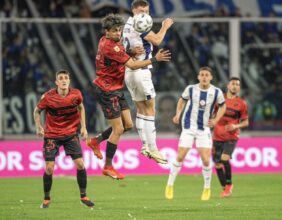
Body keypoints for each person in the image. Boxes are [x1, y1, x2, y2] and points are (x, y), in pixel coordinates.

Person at [86, 13, 171, 180]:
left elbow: (120, 56)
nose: (118, 33)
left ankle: (95, 141)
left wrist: (129, 51)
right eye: (114, 31)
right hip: (107, 90)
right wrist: (155, 59)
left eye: (119, 30)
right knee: (118, 129)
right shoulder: (110, 46)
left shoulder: (107, 42)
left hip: (116, 88)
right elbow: (132, 65)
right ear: (106, 32)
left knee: (128, 125)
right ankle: (108, 167)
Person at [33, 70, 94, 209]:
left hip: (70, 134)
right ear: (56, 82)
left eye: (66, 78)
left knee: (80, 164)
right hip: (52, 135)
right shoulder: (48, 97)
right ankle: (47, 198)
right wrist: (38, 127)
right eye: (61, 78)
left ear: (69, 81)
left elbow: (81, 107)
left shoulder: (76, 94)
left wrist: (83, 127)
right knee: (49, 168)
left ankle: (83, 196)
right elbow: (37, 111)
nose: (64, 80)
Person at [122, 0, 174, 163]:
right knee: (150, 110)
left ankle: (145, 145)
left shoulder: (128, 24)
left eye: (146, 11)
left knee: (141, 110)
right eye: (141, 11)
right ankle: (153, 148)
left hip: (129, 72)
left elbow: (124, 49)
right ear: (134, 11)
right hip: (141, 71)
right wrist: (165, 26)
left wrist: (129, 51)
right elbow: (157, 40)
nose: (144, 14)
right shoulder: (140, 24)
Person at [165, 66, 226, 201]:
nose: (204, 77)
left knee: (205, 159)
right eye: (202, 75)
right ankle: (169, 185)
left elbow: (223, 106)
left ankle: (207, 187)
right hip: (188, 127)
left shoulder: (216, 92)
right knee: (180, 156)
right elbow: (182, 100)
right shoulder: (191, 89)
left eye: (207, 75)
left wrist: (216, 120)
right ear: (198, 77)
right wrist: (178, 114)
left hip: (204, 129)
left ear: (211, 77)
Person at [213, 77, 249, 198]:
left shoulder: (241, 103)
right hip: (217, 135)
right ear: (228, 85)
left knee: (224, 158)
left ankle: (229, 184)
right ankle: (225, 188)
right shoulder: (219, 99)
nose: (235, 86)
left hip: (231, 136)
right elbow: (213, 114)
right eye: (233, 84)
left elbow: (246, 122)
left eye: (237, 85)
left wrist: (235, 125)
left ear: (239, 88)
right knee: (217, 164)